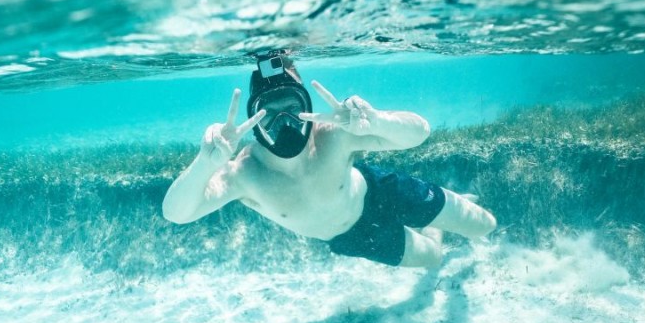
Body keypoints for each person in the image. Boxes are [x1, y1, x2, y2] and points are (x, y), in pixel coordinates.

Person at [162, 50, 496, 268]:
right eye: (269, 116)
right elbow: (177, 213)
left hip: (383, 191)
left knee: (485, 224)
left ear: (305, 104)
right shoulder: (244, 173)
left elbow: (420, 132)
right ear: (253, 120)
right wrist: (206, 163)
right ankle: (432, 228)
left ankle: (438, 214)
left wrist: (377, 121)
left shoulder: (332, 133)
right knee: (434, 258)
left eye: (292, 111)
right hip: (356, 236)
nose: (285, 125)